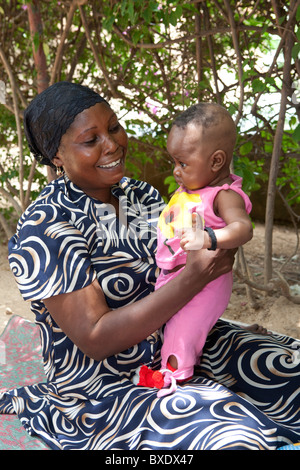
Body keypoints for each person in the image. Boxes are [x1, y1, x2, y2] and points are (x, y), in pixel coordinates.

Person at [0, 82, 299, 450]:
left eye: (113, 127)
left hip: (182, 343)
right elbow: (96, 339)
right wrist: (193, 278)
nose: (112, 145)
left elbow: (183, 255)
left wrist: (216, 240)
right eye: (90, 139)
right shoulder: (46, 225)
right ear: (57, 156)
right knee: (231, 435)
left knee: (287, 370)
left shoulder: (140, 195)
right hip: (104, 387)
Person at [134, 103, 253, 396]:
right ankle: (168, 366)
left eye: (182, 163)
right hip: (175, 276)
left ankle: (175, 379)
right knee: (161, 321)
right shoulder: (192, 189)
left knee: (182, 330)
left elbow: (243, 229)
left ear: (216, 162)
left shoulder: (223, 196)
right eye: (174, 162)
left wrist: (209, 238)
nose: (175, 171)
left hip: (206, 283)